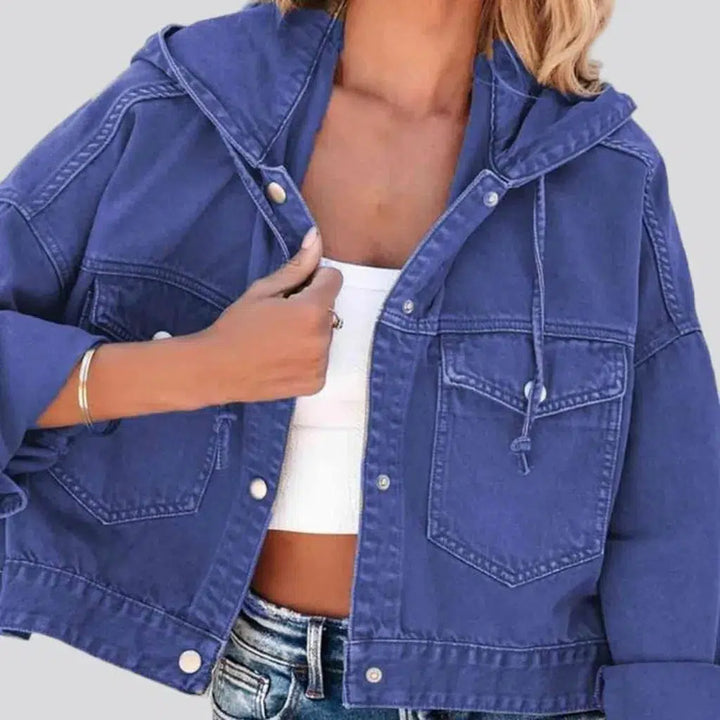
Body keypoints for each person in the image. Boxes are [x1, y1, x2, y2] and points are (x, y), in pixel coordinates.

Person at [1, 0, 719, 718]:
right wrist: (202, 368)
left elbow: (671, 501)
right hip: (286, 687)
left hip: (538, 697)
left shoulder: (603, 169)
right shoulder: (186, 105)